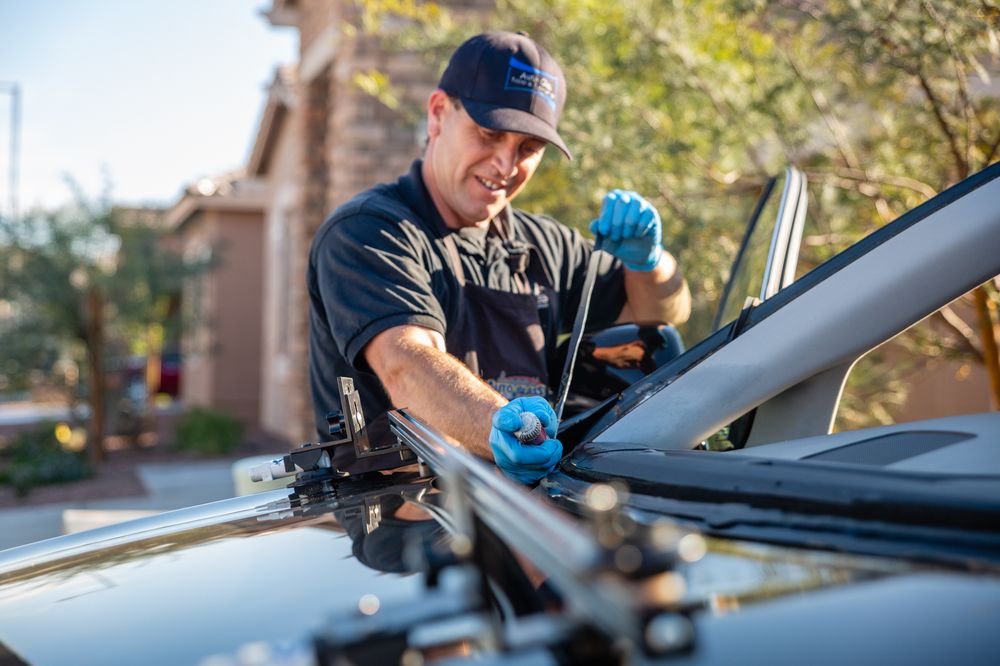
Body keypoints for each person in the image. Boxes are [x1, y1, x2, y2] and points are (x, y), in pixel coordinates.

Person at [308, 31, 690, 483]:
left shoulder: (545, 245)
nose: (506, 165)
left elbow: (659, 316)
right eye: (489, 134)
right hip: (404, 518)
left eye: (528, 149)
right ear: (437, 115)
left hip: (527, 514)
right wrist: (502, 426)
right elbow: (406, 363)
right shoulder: (368, 232)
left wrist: (650, 263)